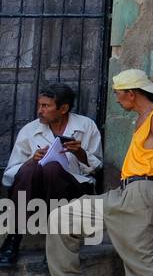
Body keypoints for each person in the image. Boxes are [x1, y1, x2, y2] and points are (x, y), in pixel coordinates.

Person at [29, 69, 153, 276]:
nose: (117, 99)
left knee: (141, 265)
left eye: (119, 94)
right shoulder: (147, 114)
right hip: (123, 193)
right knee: (62, 217)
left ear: (131, 94)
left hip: (142, 193)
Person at [1, 83, 103, 265]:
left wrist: (79, 152)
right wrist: (32, 160)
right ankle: (14, 237)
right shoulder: (30, 130)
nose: (40, 110)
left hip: (72, 190)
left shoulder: (86, 126)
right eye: (39, 105)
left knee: (53, 168)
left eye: (46, 106)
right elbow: (10, 174)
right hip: (34, 193)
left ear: (63, 108)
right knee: (33, 168)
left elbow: (95, 169)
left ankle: (57, 244)